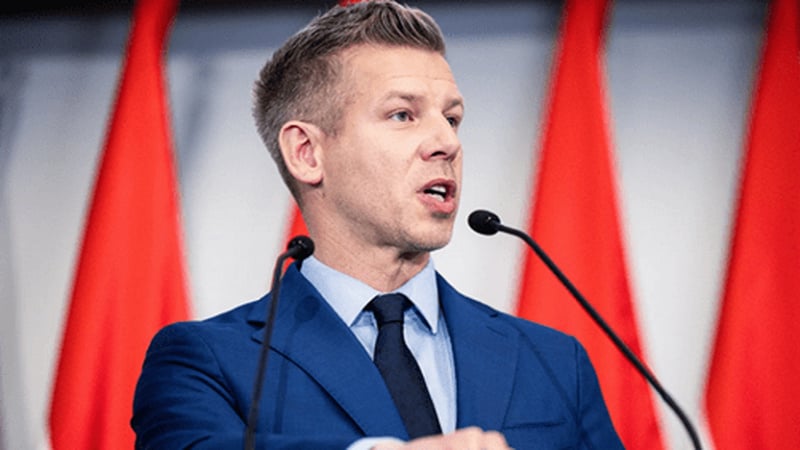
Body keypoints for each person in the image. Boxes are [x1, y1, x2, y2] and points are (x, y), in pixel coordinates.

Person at [132, 2, 624, 449]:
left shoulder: (553, 360)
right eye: (403, 115)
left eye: (452, 119)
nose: (446, 143)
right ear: (307, 152)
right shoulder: (207, 361)